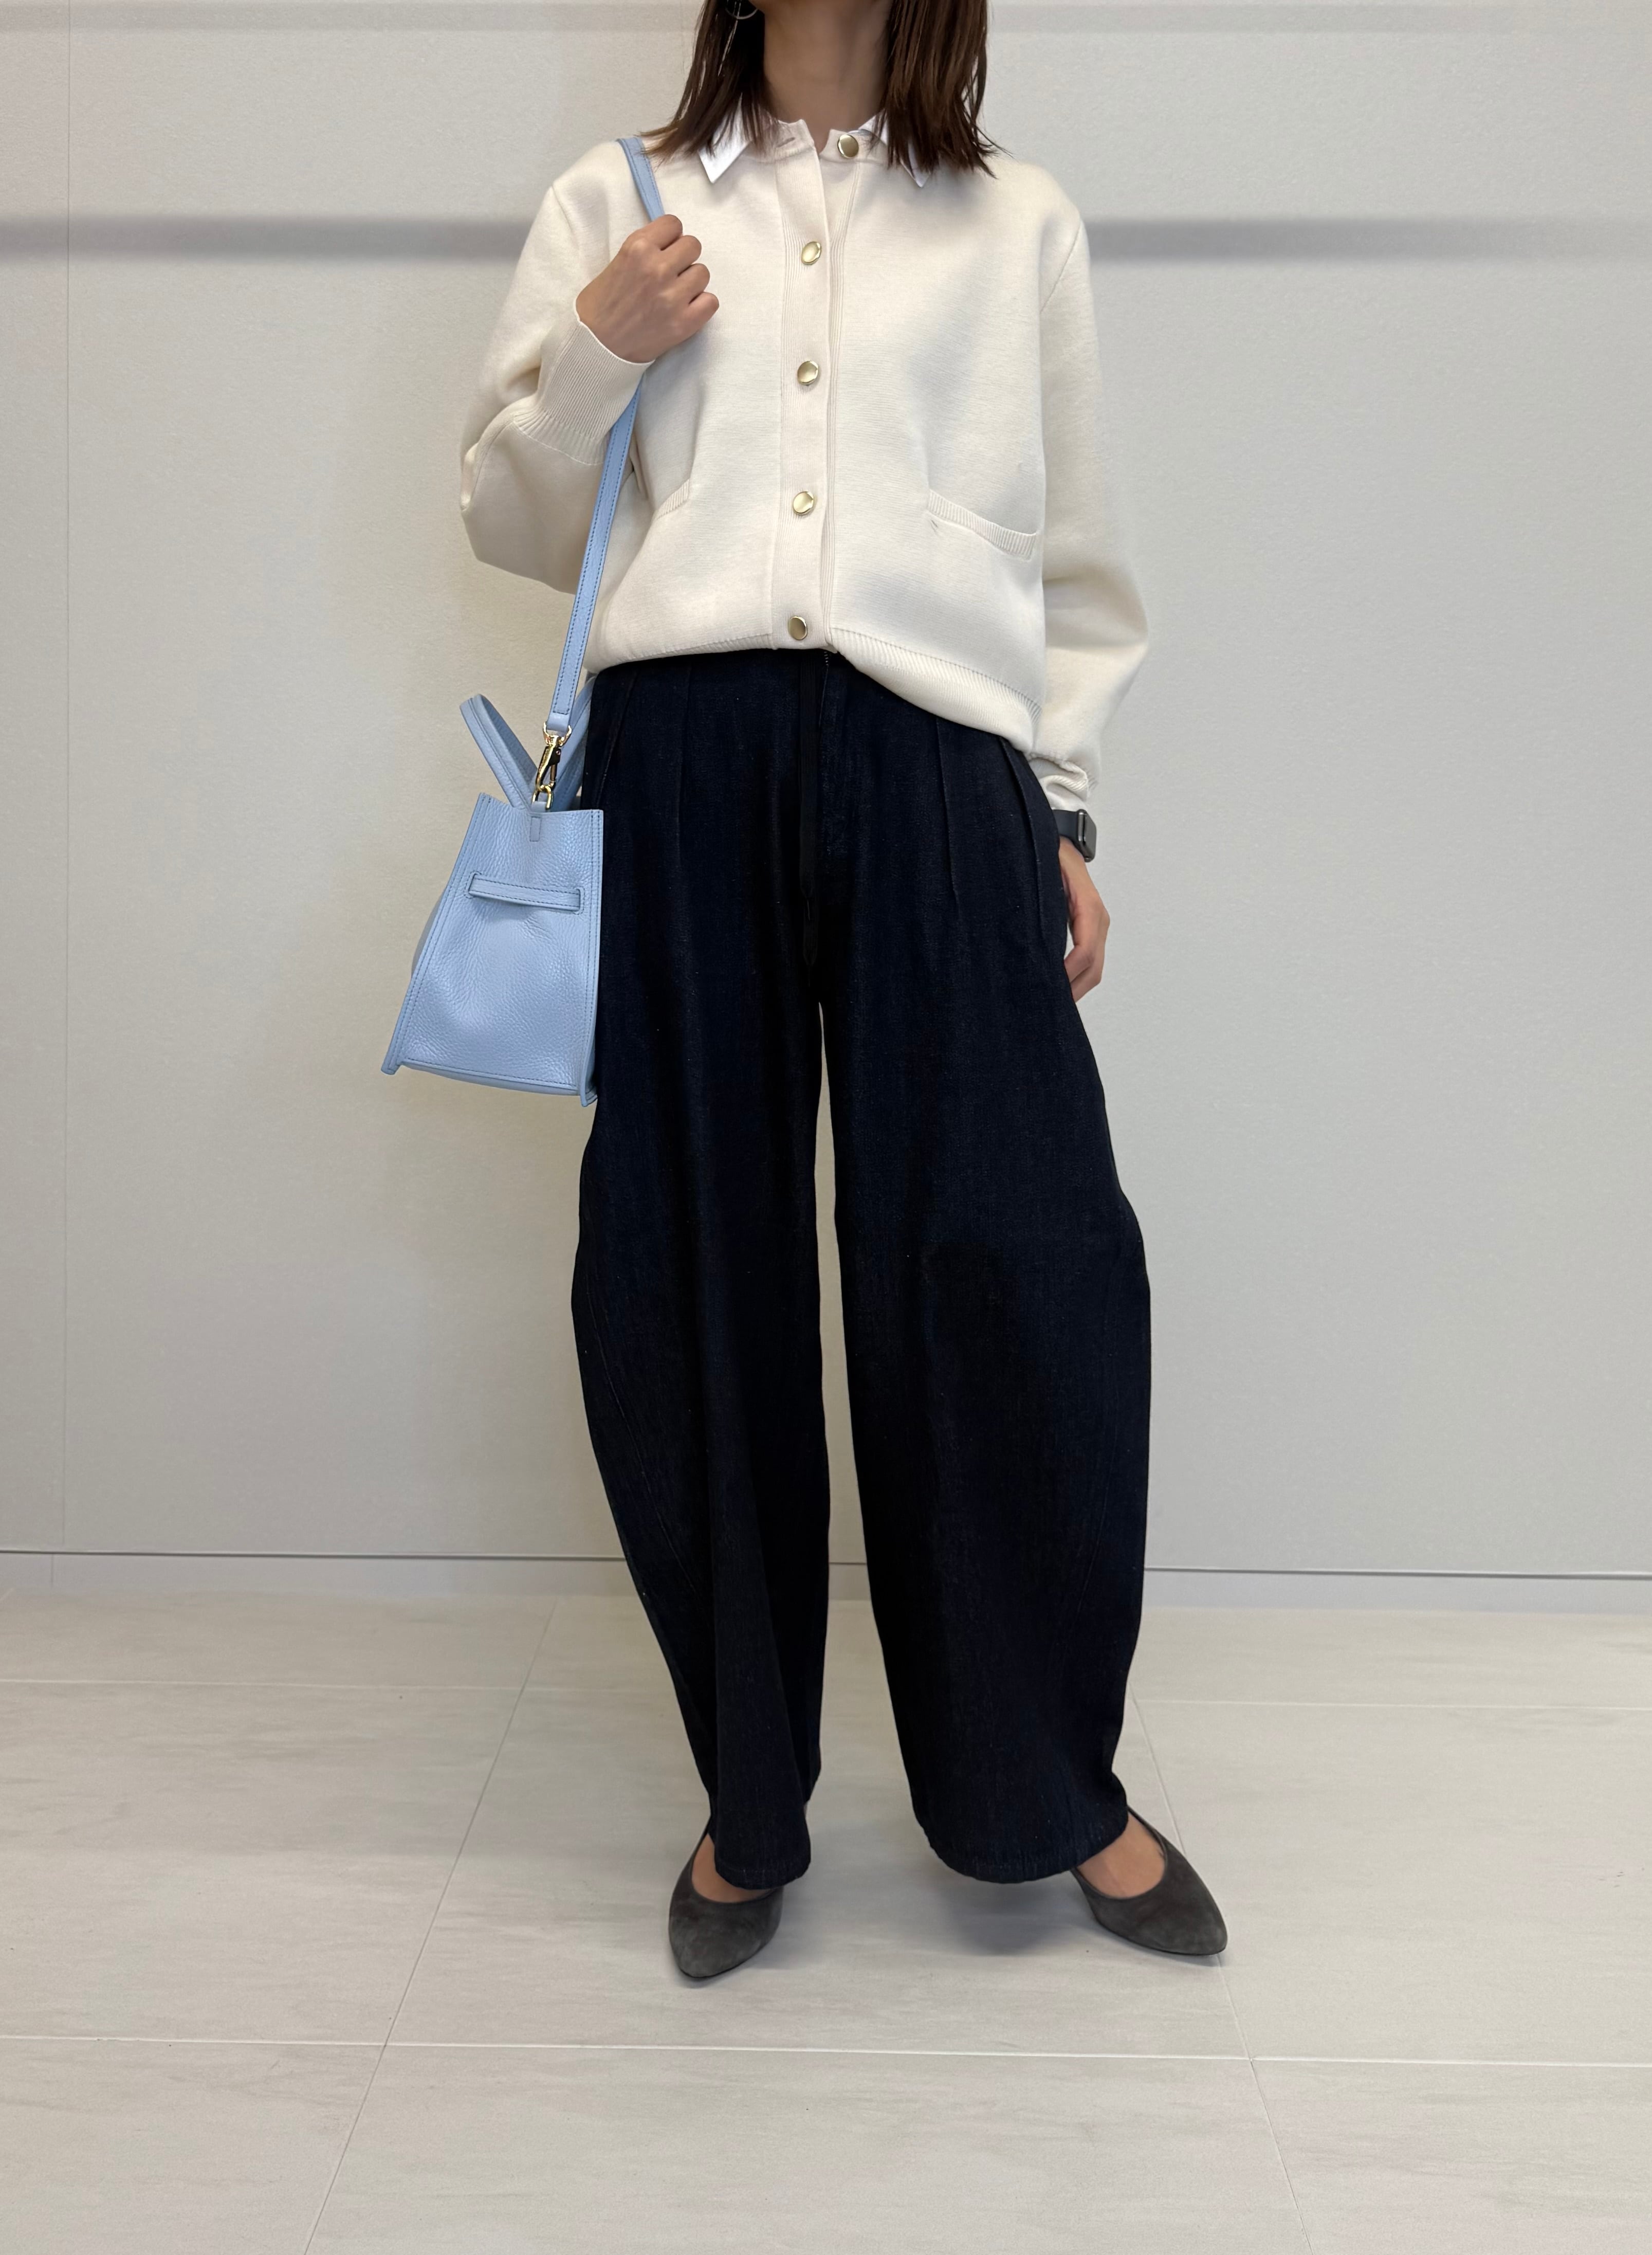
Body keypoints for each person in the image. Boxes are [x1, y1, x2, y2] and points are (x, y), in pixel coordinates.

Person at [457, 0, 1226, 1979]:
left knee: (1018, 1257)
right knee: (687, 1262)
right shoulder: (618, 201)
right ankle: (750, 1795)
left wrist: (1060, 808)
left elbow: (1071, 560)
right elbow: (512, 522)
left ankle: (1048, 1783)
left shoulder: (1014, 221)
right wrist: (599, 350)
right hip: (682, 763)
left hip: (942, 766)